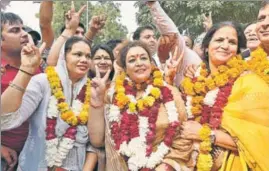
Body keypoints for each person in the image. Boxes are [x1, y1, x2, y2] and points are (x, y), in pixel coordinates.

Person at [1, 36, 109, 171]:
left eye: (88, 56)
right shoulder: (42, 82)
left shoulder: (93, 89)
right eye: (78, 54)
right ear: (64, 56)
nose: (84, 60)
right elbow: (6, 119)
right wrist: (26, 69)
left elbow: (95, 141)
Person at [180, 21, 269, 171]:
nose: (225, 46)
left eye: (232, 42)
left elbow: (260, 139)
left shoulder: (249, 82)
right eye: (219, 40)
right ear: (206, 47)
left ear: (237, 50)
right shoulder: (194, 81)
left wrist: (208, 135)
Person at [105, 41, 196, 171]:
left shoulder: (170, 92)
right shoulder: (116, 97)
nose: (139, 63)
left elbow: (184, 134)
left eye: (143, 58)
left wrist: (166, 165)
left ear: (151, 64)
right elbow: (112, 139)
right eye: (132, 60)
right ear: (124, 69)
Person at [0, 12, 44, 171]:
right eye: (14, 30)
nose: (24, 34)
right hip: (5, 156)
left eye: (23, 28)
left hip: (33, 154)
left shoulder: (37, 64)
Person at [147, 1, 201, 86]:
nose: (167, 43)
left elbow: (171, 32)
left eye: (186, 44)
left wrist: (153, 4)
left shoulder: (184, 53)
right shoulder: (170, 62)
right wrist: (162, 59)